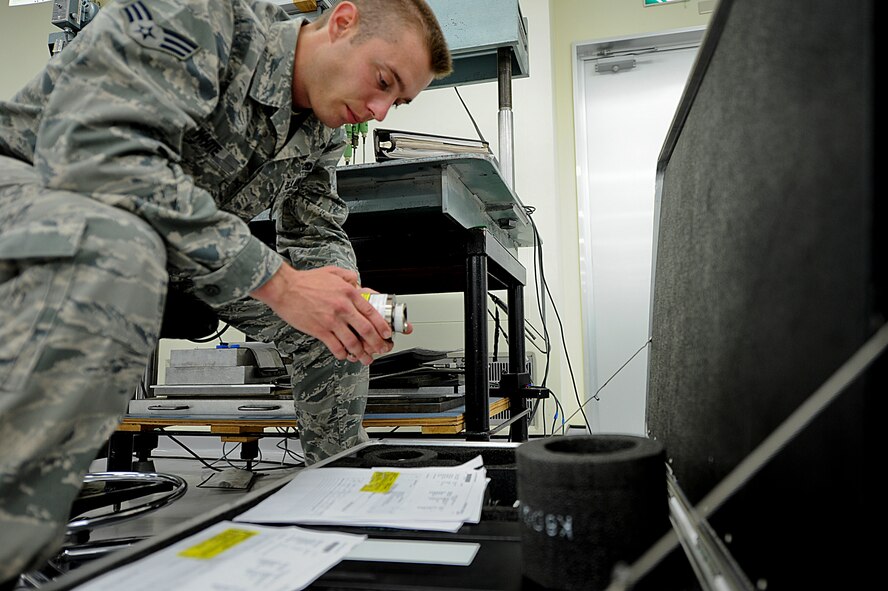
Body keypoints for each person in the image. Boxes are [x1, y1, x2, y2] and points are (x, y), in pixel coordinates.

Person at [0, 0, 452, 584]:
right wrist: (280, 282)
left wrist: (347, 302)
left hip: (164, 237)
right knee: (120, 252)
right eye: (383, 80)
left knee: (329, 330)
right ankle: (13, 546)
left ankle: (337, 507)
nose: (378, 108)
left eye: (398, 102)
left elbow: (315, 230)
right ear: (341, 22)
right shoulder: (204, 17)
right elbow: (100, 157)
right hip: (38, 182)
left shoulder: (322, 127)